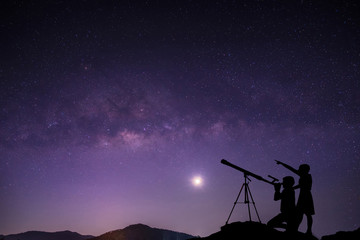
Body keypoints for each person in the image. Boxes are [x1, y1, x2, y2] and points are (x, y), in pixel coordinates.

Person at [275, 160, 315, 235]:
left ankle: (309, 230)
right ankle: (295, 228)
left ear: (304, 170)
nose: (298, 170)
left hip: (306, 196)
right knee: (300, 214)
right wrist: (283, 163)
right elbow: (291, 169)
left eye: (300, 168)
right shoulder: (303, 175)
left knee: (307, 214)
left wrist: (292, 188)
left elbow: (302, 185)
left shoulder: (307, 176)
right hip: (302, 195)